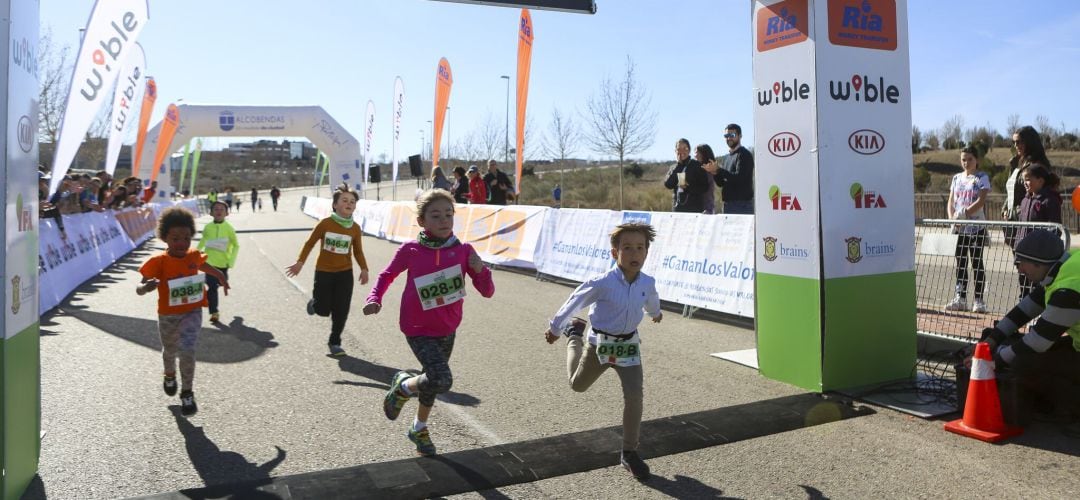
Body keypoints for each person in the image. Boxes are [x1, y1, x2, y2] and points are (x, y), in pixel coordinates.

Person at [365, 189, 494, 456]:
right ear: (422, 221)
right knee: (441, 378)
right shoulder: (411, 250)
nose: (444, 220)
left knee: (432, 381)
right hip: (417, 327)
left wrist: (481, 270)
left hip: (447, 328)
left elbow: (488, 291)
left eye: (448, 214)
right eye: (435, 215)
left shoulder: (463, 251)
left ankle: (418, 427)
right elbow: (387, 274)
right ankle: (402, 388)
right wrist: (375, 297)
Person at [543, 222, 663, 481]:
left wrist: (656, 314)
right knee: (577, 385)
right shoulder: (602, 283)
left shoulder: (647, 282)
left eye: (640, 248)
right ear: (614, 253)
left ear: (647, 253)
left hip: (629, 347)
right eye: (627, 248)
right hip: (599, 345)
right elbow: (574, 300)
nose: (634, 254)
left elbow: (651, 300)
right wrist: (556, 327)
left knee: (635, 396)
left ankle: (629, 452)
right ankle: (574, 337)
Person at [977, 229, 1080, 431]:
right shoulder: (1064, 267)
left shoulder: (1068, 289)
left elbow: (1037, 343)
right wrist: (993, 339)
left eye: (1021, 263)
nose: (1020, 269)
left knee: (1025, 362)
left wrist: (994, 360)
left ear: (1038, 263)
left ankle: (1073, 404)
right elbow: (1024, 311)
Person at [136, 206, 229, 416]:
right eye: (176, 238)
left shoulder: (194, 255)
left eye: (187, 238)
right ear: (165, 238)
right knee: (170, 350)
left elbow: (204, 266)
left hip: (192, 311)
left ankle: (187, 392)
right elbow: (139, 288)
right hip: (168, 315)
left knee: (187, 349)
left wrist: (220, 277)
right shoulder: (157, 262)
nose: (182, 243)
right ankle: (169, 375)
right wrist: (146, 287)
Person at [285, 183, 370, 356]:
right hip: (324, 271)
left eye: (352, 201)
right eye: (344, 200)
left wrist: (364, 268)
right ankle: (315, 304)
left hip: (345, 273)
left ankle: (335, 341)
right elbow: (309, 243)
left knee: (342, 308)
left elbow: (358, 251)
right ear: (335, 205)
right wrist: (300, 262)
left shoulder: (355, 228)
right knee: (323, 310)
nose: (349, 204)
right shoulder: (325, 224)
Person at [945, 146, 991, 313]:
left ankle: (979, 300)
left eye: (970, 159)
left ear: (976, 160)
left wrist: (964, 214)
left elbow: (981, 200)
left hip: (976, 227)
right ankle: (960, 297)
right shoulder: (956, 178)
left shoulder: (982, 177)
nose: (966, 162)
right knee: (961, 263)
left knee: (977, 262)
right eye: (963, 159)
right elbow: (951, 200)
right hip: (959, 229)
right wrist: (953, 219)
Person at [1015, 164, 1062, 299]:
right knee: (1023, 283)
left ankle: (1037, 311)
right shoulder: (1025, 200)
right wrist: (1017, 245)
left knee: (1038, 287)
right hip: (1023, 253)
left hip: (1038, 257)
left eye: (1028, 179)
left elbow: (1055, 227)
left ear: (1040, 181)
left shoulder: (1050, 200)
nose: (1025, 183)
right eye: (1024, 179)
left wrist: (1044, 250)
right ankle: (1023, 306)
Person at [1002, 126, 1052, 247]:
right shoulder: (1016, 163)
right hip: (1012, 220)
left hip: (1028, 221)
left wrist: (1019, 211)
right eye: (1013, 142)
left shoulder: (1038, 165)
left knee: (1027, 262)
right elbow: (1011, 189)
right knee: (1019, 262)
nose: (1015, 145)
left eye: (1019, 142)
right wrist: (1005, 209)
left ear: (1029, 142)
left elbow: (1040, 195)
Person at [196, 200, 240, 323]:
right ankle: (214, 312)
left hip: (223, 263)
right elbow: (203, 241)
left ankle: (214, 282)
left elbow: (236, 245)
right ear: (211, 213)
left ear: (227, 213)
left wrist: (231, 262)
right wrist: (195, 253)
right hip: (209, 262)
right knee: (212, 287)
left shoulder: (229, 229)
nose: (219, 211)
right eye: (216, 209)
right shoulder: (207, 227)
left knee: (221, 282)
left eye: (222, 209)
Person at [703, 124, 755, 214]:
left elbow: (739, 178)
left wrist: (719, 169)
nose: (729, 138)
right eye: (726, 136)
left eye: (732, 135)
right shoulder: (727, 157)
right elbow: (721, 183)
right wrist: (714, 172)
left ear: (740, 136)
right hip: (728, 205)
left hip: (742, 206)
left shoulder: (744, 154)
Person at [663, 138, 708, 213]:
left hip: (694, 209)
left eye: (685, 148)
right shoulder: (673, 167)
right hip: (677, 208)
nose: (682, 151)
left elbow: (705, 187)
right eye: (679, 149)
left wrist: (688, 188)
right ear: (675, 151)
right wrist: (678, 165)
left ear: (689, 150)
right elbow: (668, 184)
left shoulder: (697, 165)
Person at [695, 144, 717, 214]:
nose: (695, 156)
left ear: (703, 154)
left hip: (707, 209)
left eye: (696, 153)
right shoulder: (699, 169)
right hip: (700, 208)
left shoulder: (708, 171)